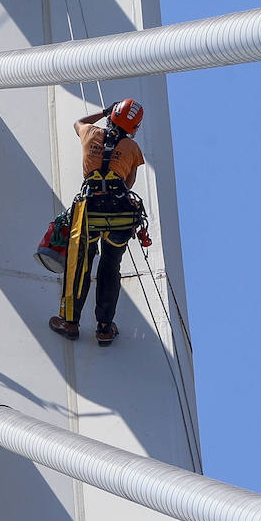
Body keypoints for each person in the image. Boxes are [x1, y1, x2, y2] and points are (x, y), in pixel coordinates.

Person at [49, 99, 149, 346]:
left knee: (79, 266)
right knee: (110, 267)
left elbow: (79, 122)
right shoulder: (132, 148)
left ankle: (70, 323)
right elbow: (128, 184)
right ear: (134, 127)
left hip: (88, 213)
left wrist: (104, 111)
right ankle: (104, 328)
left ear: (111, 116)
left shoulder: (90, 132)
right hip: (120, 215)